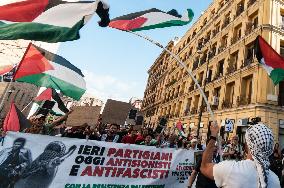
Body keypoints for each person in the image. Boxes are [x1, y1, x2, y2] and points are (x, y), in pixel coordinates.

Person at [201, 123, 281, 188]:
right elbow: (222, 154)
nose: (236, 140)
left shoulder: (231, 170)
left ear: (248, 145)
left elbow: (204, 166)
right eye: (235, 139)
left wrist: (213, 136)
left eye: (237, 139)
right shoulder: (275, 180)